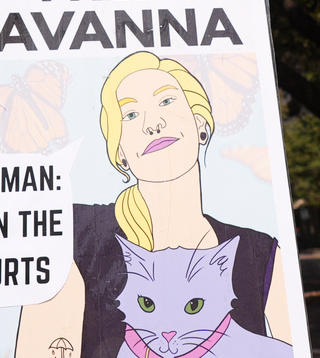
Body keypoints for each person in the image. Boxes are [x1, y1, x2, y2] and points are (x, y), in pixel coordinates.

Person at [14, 52, 292, 358]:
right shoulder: (76, 236)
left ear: (200, 123)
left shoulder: (259, 253)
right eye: (130, 115)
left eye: (167, 101)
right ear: (120, 152)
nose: (153, 124)